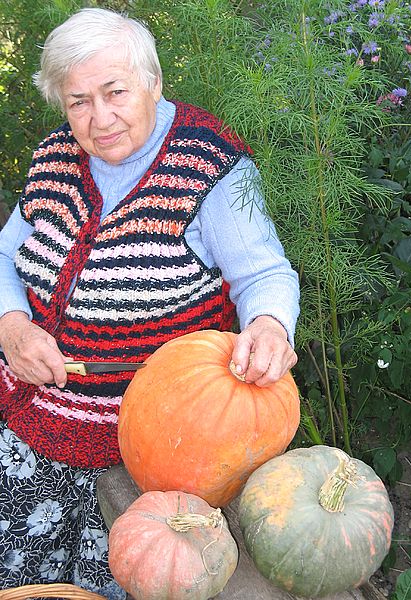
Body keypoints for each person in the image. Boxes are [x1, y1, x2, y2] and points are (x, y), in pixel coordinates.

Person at [0, 7, 299, 596]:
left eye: (116, 92)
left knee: (110, 572)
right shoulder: (56, 156)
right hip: (23, 403)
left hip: (143, 431)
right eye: (78, 101)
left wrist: (268, 326)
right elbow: (6, 257)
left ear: (155, 83)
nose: (100, 118)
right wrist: (12, 324)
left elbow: (264, 271)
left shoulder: (211, 167)